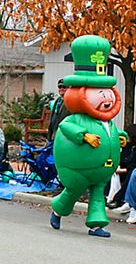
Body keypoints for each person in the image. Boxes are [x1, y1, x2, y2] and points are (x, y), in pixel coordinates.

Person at [50, 35, 127, 238]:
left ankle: (95, 225)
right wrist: (83, 136)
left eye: (106, 91)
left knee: (97, 194)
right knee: (73, 191)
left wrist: (120, 136)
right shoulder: (75, 119)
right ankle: (58, 210)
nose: (106, 97)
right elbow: (66, 128)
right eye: (99, 92)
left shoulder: (105, 121)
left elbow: (111, 131)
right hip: (78, 169)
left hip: (102, 168)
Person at [106, 123, 136, 211]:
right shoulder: (127, 146)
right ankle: (107, 195)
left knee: (131, 174)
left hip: (128, 171)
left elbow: (133, 165)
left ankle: (118, 199)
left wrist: (122, 170)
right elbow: (120, 157)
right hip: (122, 168)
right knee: (109, 169)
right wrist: (117, 166)